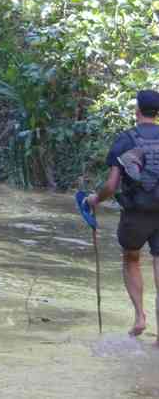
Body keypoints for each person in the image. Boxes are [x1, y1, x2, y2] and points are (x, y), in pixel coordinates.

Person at [86, 89, 159, 339]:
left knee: (131, 258)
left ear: (137, 111)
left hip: (136, 212)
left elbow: (111, 185)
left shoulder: (126, 139)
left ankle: (140, 316)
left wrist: (95, 199)